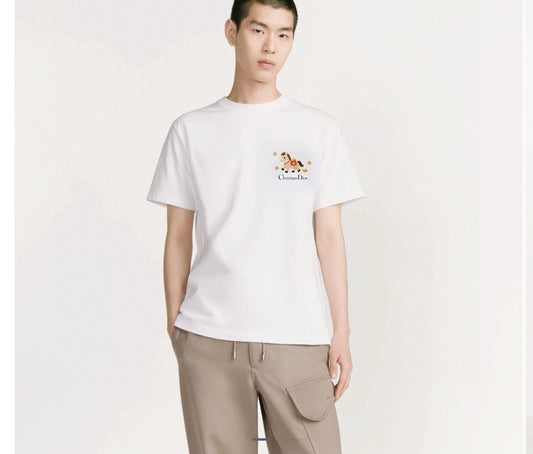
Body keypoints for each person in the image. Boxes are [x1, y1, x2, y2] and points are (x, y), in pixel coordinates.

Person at [146, 1, 366, 452]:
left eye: (284, 34)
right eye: (259, 30)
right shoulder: (191, 130)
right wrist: (177, 328)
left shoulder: (317, 130)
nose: (271, 47)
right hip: (209, 340)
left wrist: (341, 330)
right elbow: (178, 237)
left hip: (298, 339)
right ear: (232, 32)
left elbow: (329, 237)